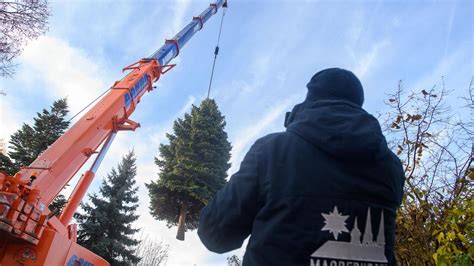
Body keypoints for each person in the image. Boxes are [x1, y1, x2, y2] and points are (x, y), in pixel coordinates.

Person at [198, 68, 405, 265]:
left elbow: (216, 234)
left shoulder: (272, 150)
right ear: (358, 104)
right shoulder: (391, 166)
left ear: (310, 99)